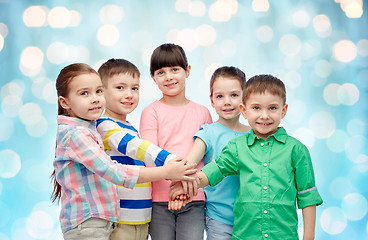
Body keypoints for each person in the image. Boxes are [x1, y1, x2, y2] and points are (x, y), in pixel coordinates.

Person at [50, 63, 197, 240]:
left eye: (98, 92)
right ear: (64, 102)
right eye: (84, 93)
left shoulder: (105, 128)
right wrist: (171, 167)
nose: (95, 98)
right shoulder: (96, 127)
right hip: (107, 220)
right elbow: (128, 158)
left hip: (131, 218)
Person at [172, 74, 323, 240]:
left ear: (283, 110)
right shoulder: (237, 147)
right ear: (244, 110)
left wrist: (309, 237)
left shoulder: (297, 150)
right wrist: (187, 184)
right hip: (245, 235)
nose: (264, 116)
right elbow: (213, 171)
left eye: (272, 108)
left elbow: (307, 196)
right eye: (256, 108)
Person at [96, 58, 183, 240]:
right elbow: (136, 147)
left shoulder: (131, 127)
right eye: (120, 88)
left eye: (134, 88)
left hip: (143, 219)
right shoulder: (103, 124)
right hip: (119, 220)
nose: (129, 94)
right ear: (101, 92)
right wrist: (171, 163)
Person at [139, 43, 212, 240]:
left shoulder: (202, 112)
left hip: (194, 198)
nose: (169, 77)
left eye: (174, 69)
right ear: (153, 78)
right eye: (161, 72)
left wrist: (184, 184)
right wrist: (175, 178)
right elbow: (149, 154)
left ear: (187, 71)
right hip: (159, 201)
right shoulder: (151, 112)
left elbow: (208, 156)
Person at [170, 66, 251, 239]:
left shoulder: (253, 135)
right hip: (218, 218)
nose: (227, 101)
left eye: (234, 95)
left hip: (251, 219)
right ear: (212, 100)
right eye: (220, 96)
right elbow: (189, 166)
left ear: (245, 98)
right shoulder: (208, 133)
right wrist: (180, 187)